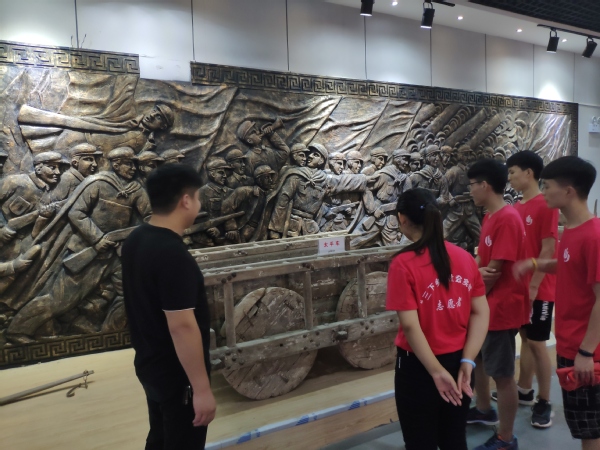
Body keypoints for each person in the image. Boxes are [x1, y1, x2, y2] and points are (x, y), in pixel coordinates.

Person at [386, 188, 489, 450]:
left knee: (421, 443)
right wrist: (468, 360)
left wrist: (435, 372)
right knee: (454, 439)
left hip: (419, 368)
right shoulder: (465, 258)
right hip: (459, 364)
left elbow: (411, 326)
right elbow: (481, 312)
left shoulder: (403, 263)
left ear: (402, 219)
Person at [122, 164, 216, 450]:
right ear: (186, 200)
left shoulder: (136, 238)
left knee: (160, 437)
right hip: (178, 378)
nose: (199, 204)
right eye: (197, 197)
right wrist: (202, 390)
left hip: (151, 364)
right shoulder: (173, 254)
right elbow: (182, 327)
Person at [513, 156, 600, 450]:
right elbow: (569, 265)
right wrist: (535, 263)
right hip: (569, 344)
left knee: (591, 430)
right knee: (583, 426)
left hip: (586, 351)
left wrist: (586, 351)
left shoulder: (594, 235)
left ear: (569, 191)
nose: (544, 192)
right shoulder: (573, 230)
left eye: (547, 186)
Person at [466, 159, 526, 450]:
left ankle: (506, 437)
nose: (470, 191)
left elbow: (493, 271)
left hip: (501, 308)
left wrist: (472, 285)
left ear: (485, 185)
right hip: (486, 305)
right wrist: (471, 276)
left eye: (472, 185)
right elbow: (482, 263)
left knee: (502, 375)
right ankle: (483, 408)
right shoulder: (491, 216)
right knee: (477, 359)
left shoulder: (507, 218)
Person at [503, 151, 558, 428]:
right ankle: (524, 390)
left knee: (537, 343)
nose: (510, 177)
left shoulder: (546, 205)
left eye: (513, 171)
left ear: (528, 173)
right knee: (525, 338)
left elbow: (548, 249)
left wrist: (534, 285)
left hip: (541, 287)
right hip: (519, 288)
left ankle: (545, 400)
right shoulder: (515, 208)